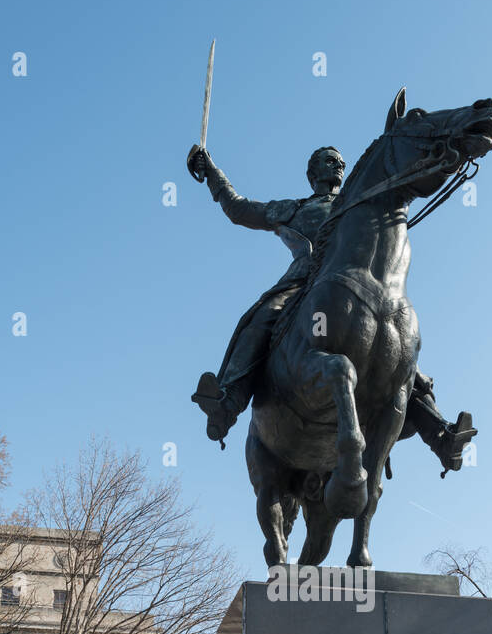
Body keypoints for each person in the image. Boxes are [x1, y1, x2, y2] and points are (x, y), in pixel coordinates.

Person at [186, 143, 475, 472]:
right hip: (302, 285)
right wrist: (210, 171)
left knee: (402, 353)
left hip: (361, 289)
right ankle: (227, 403)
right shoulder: (293, 209)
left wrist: (445, 156)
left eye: (339, 160)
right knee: (261, 318)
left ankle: (439, 434)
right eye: (328, 160)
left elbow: (407, 183)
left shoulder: (363, 199)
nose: (337, 164)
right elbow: (238, 209)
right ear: (312, 174)